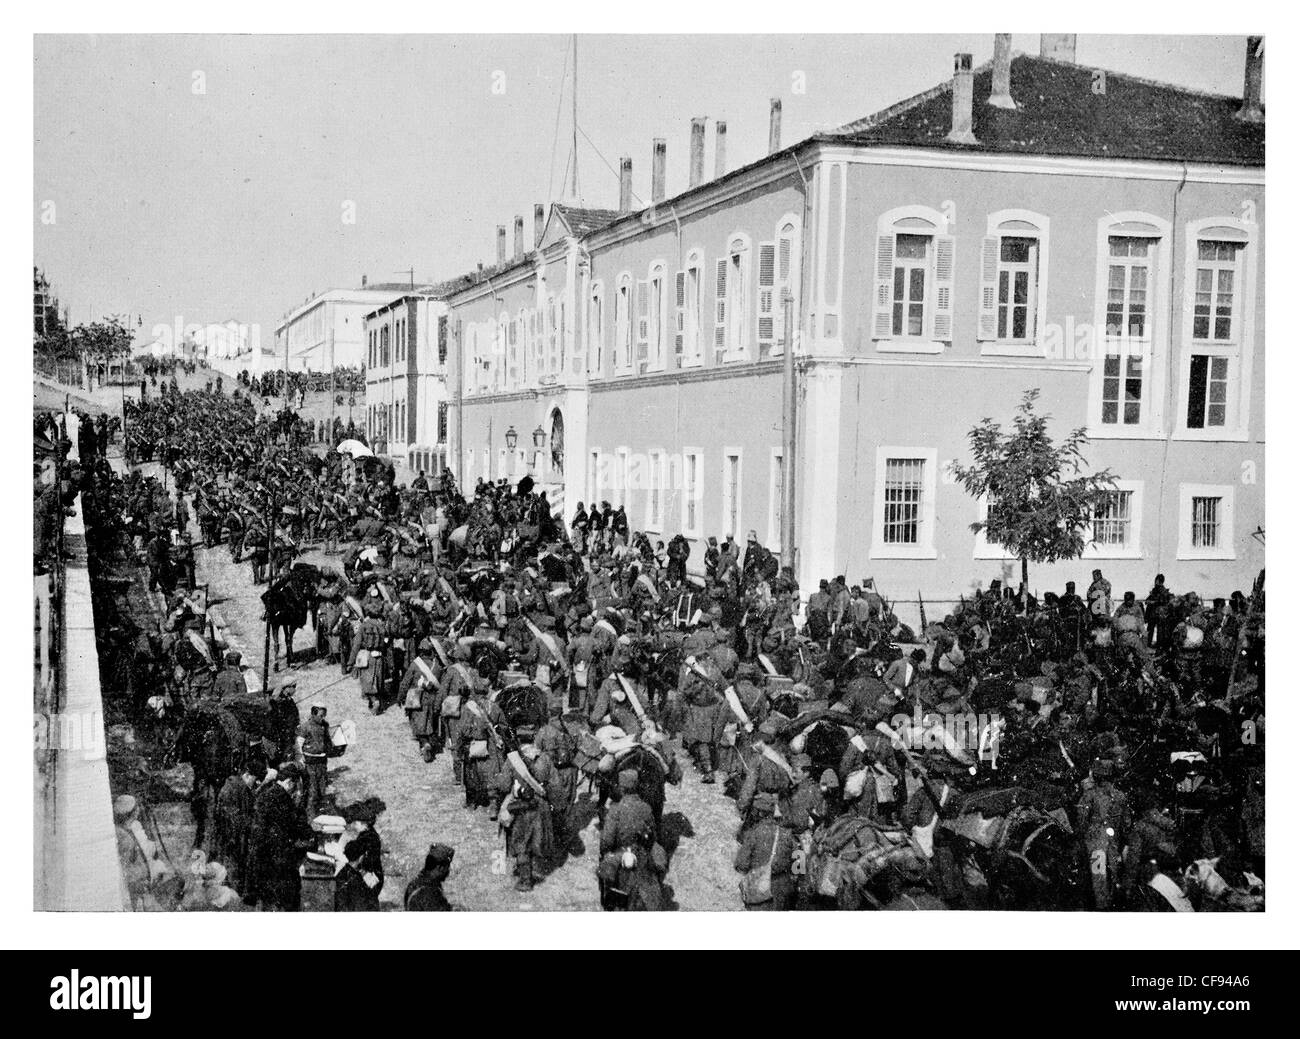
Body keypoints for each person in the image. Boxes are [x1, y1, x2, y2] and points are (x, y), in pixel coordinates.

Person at [246, 761, 315, 911]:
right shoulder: (282, 799)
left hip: (262, 862)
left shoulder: (266, 794)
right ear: (289, 782)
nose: (296, 791)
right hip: (277, 864)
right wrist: (309, 839)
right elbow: (290, 828)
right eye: (295, 786)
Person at [735, 792, 797, 910]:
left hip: (760, 888)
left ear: (759, 813)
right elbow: (798, 860)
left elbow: (741, 864)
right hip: (781, 889)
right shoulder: (786, 833)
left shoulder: (754, 833)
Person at [213, 763, 261, 892]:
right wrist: (250, 823)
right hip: (230, 838)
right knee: (231, 868)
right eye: (254, 779)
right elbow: (232, 815)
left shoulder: (240, 787)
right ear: (247, 775)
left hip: (235, 838)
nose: (255, 783)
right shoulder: (233, 788)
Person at [296, 703, 332, 819]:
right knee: (312, 790)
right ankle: (310, 816)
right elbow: (298, 744)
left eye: (324, 715)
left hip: (322, 761)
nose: (323, 718)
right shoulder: (305, 727)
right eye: (320, 716)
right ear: (313, 714)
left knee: (322, 788)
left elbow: (328, 740)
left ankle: (320, 812)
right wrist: (300, 759)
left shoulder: (325, 725)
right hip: (310, 763)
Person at [404, 844, 454, 911]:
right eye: (447, 868)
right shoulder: (430, 892)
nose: (448, 871)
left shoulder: (414, 883)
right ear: (440, 868)